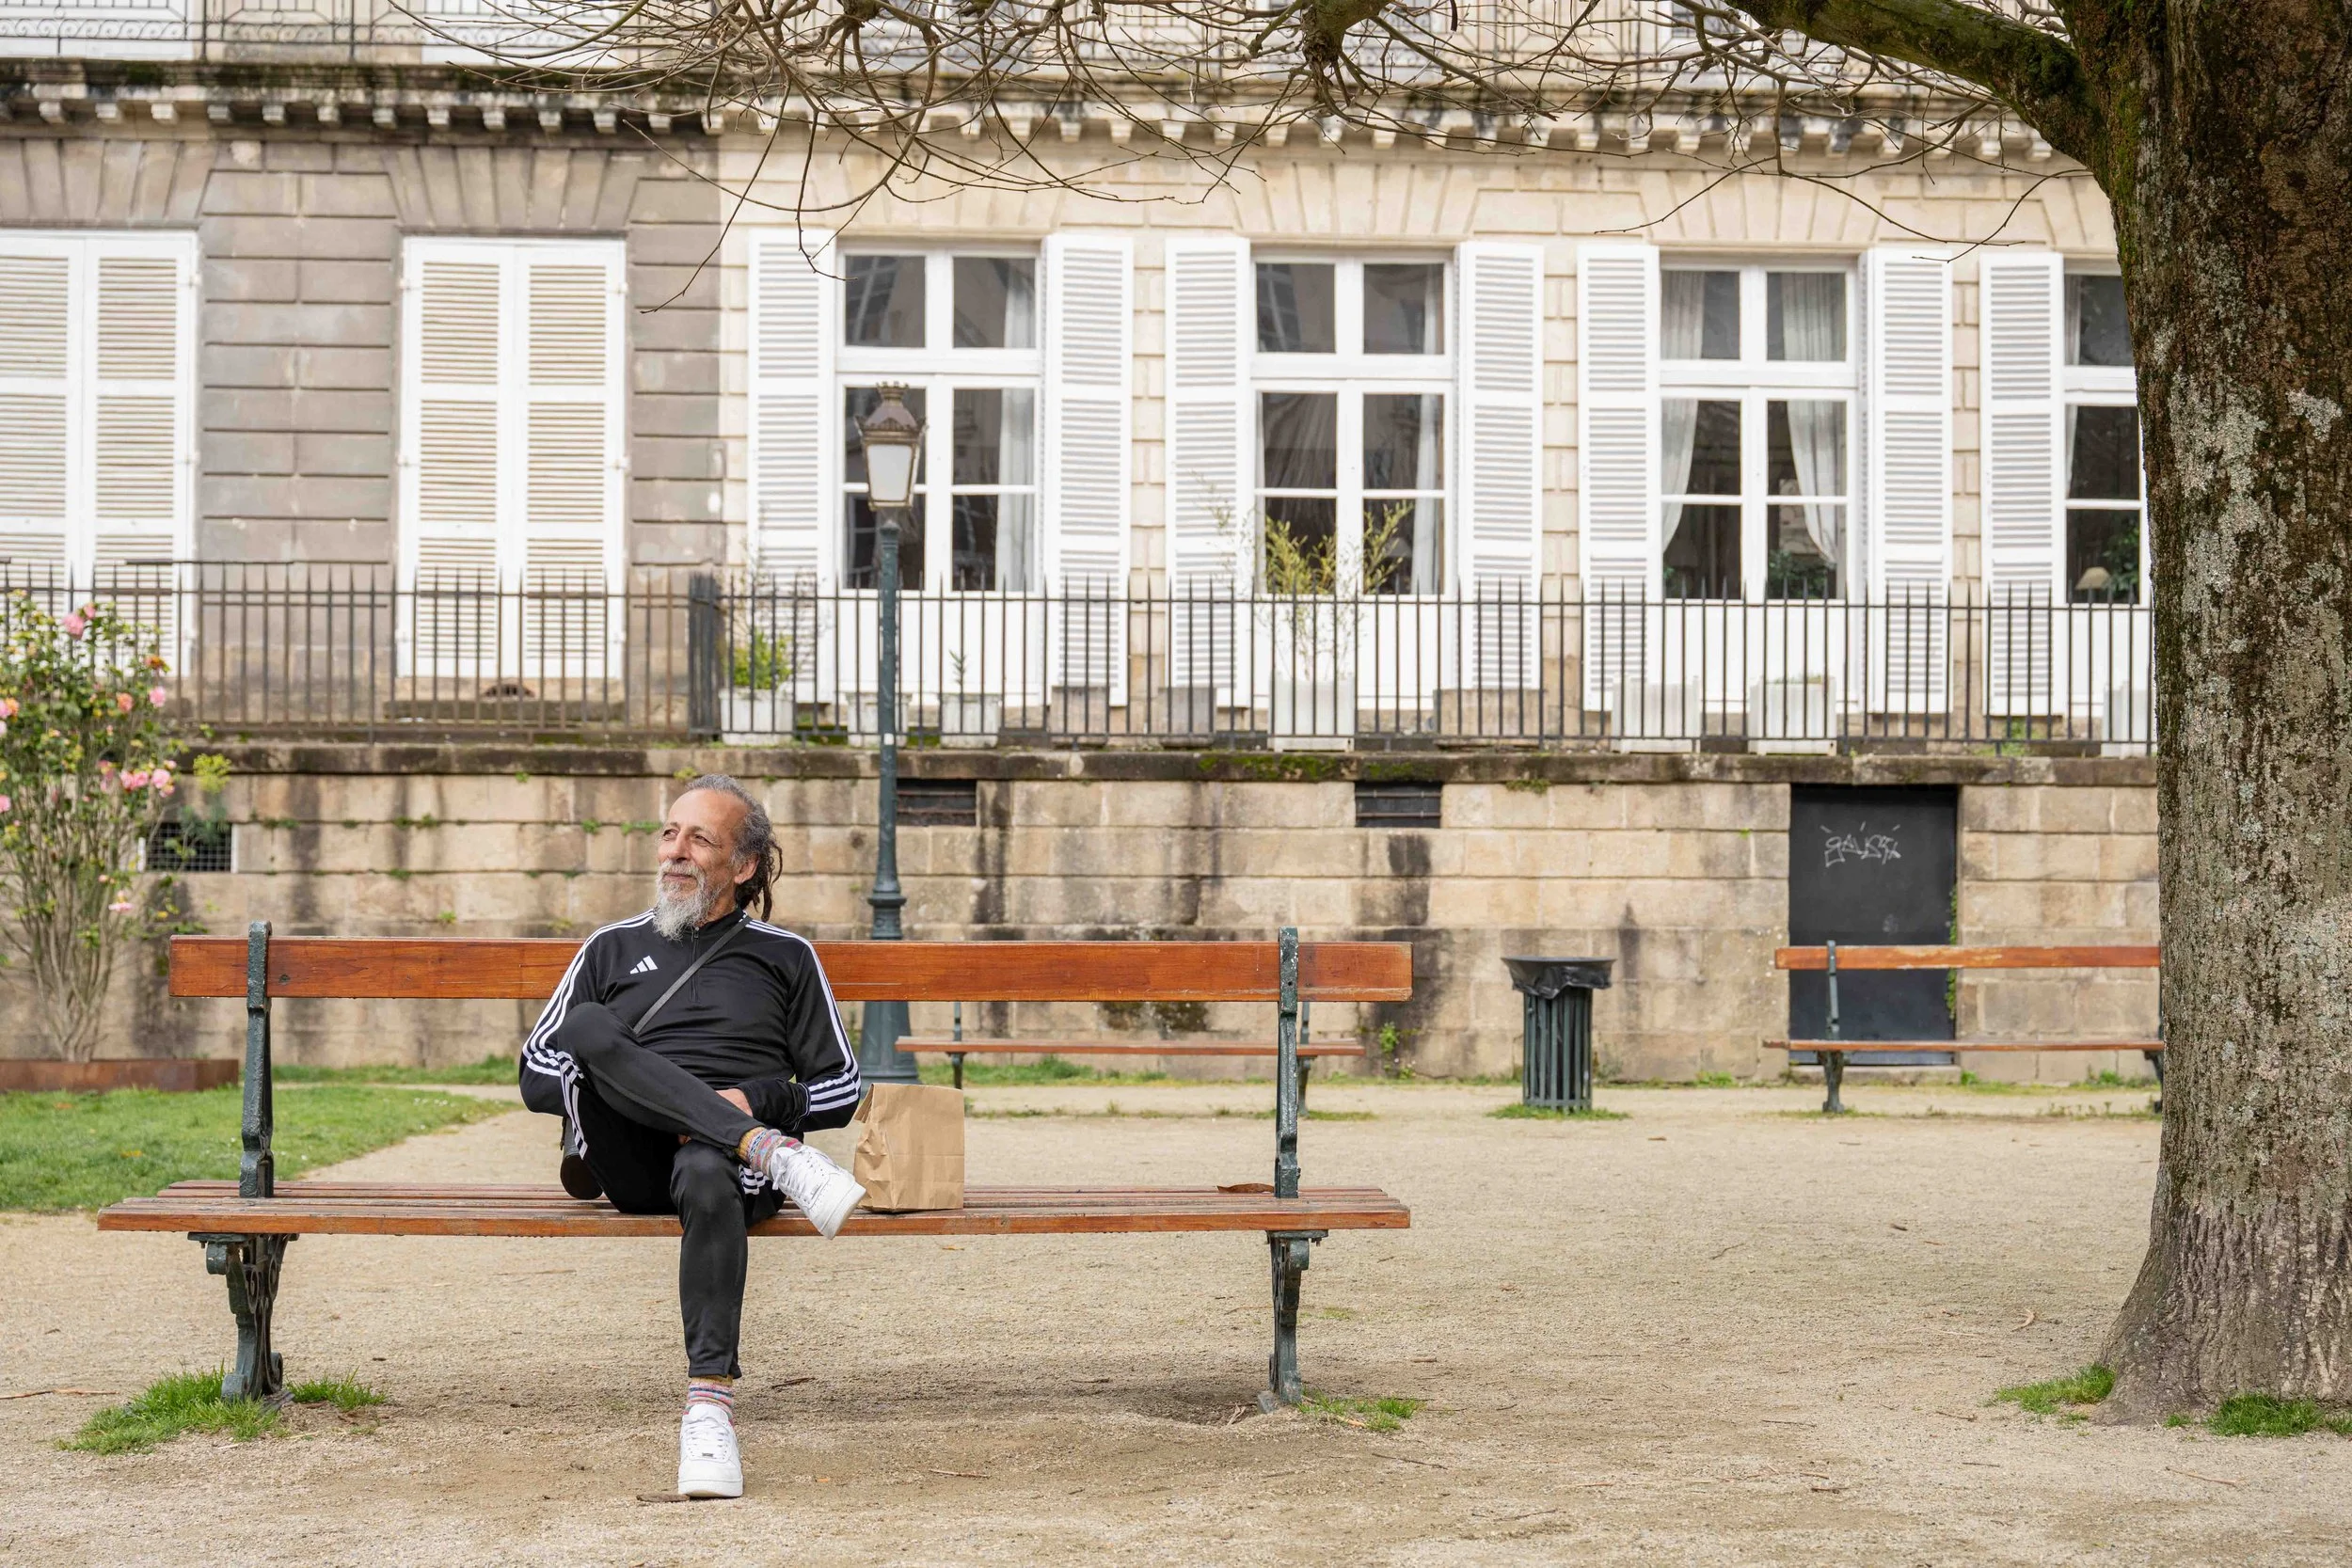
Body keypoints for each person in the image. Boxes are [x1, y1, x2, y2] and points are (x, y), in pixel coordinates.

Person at [518, 773, 866, 1499]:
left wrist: (751, 1099)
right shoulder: (610, 948)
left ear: (742, 866)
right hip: (632, 1158)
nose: (675, 851)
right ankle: (767, 1147)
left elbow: (840, 1087)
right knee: (586, 1028)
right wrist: (717, 1118)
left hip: (721, 1174)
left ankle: (708, 1406)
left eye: (698, 837)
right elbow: (539, 1068)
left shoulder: (787, 956)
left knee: (708, 1163)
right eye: (670, 833)